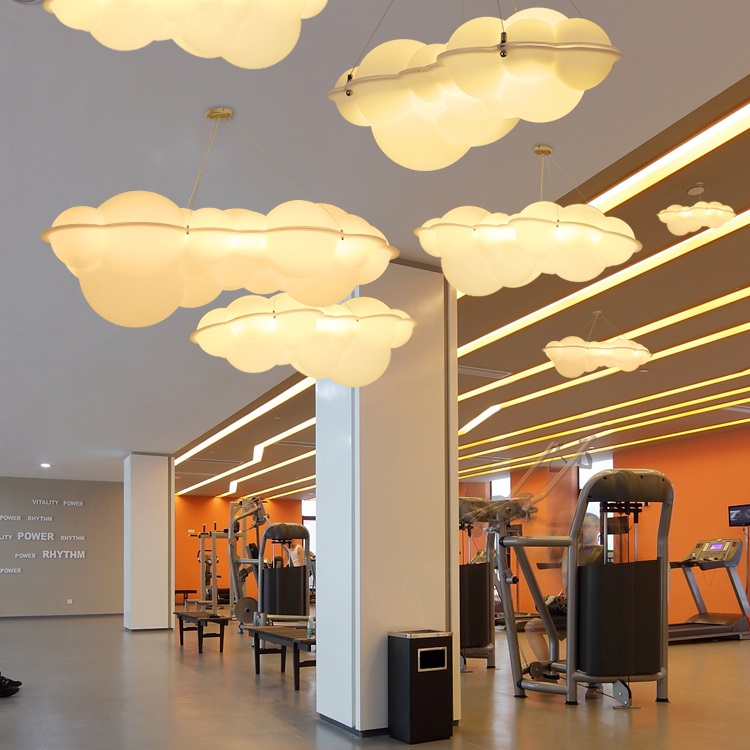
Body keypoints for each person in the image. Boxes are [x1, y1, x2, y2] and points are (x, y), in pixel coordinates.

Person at [525, 512, 603, 699]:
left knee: (589, 632)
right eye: (580, 527)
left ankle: (594, 681)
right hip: (572, 610)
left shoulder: (603, 553)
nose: (582, 530)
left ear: (598, 528)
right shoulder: (572, 550)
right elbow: (568, 582)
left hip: (593, 612)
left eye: (587, 526)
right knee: (532, 627)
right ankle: (548, 672)